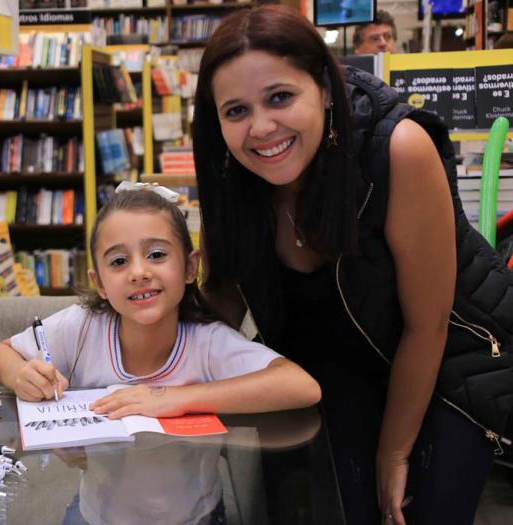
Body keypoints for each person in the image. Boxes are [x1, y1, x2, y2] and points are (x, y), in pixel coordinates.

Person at [192, 5, 513, 525]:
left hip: (444, 369)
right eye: (236, 111)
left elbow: (428, 324)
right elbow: (218, 312)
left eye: (280, 97)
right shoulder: (231, 179)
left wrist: (394, 453)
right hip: (330, 376)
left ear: (323, 88)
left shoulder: (398, 149)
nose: (261, 128)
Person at [0, 185, 320, 411]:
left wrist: (174, 398)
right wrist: (19, 376)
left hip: (194, 500)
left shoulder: (207, 342)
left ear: (190, 267)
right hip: (98, 498)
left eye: (157, 254)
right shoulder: (82, 326)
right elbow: (2, 353)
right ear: (99, 283)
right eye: (119, 261)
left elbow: (301, 386)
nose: (138, 272)